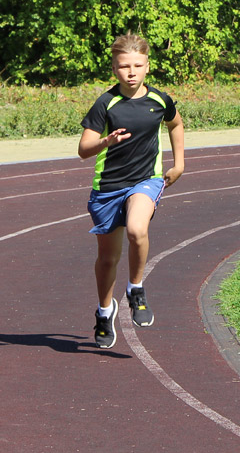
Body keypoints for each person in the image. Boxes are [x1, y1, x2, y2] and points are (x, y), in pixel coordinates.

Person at [78, 33, 184, 349]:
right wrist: (105, 142)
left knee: (137, 230)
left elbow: (176, 124)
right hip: (108, 187)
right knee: (107, 258)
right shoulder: (105, 104)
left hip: (145, 181)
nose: (132, 72)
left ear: (148, 66)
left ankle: (136, 288)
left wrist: (179, 165)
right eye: (125, 66)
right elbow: (84, 149)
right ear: (114, 68)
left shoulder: (160, 100)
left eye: (138, 65)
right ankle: (104, 311)